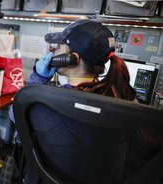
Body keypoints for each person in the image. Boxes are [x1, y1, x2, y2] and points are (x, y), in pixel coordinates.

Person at [9, 19, 158, 183]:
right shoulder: (124, 100)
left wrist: (39, 78)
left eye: (59, 47)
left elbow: (15, 114)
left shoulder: (49, 104)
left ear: (72, 58)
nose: (53, 51)